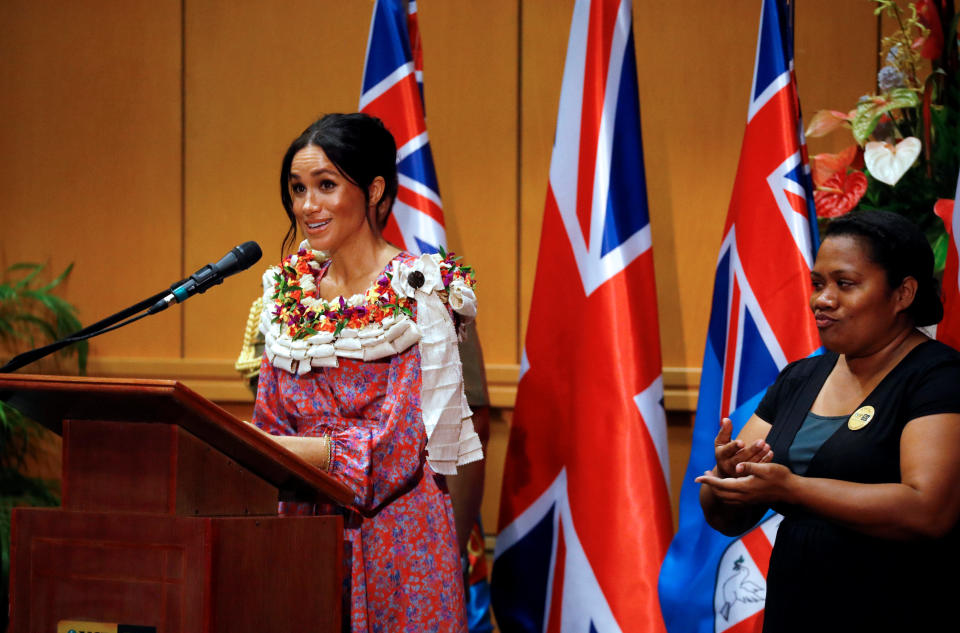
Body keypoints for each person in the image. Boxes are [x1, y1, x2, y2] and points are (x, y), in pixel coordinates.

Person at [250, 113, 482, 632]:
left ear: (375, 190)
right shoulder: (288, 296)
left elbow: (397, 449)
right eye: (297, 189)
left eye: (325, 185)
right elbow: (269, 422)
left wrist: (283, 450)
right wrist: (267, 449)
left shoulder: (421, 292)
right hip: (306, 534)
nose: (307, 206)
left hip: (399, 538)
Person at [697, 210, 960, 632]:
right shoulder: (801, 378)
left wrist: (792, 487)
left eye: (845, 284)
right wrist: (729, 479)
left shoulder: (938, 377)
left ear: (903, 294)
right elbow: (726, 518)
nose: (822, 299)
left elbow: (928, 510)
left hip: (898, 610)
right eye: (818, 284)